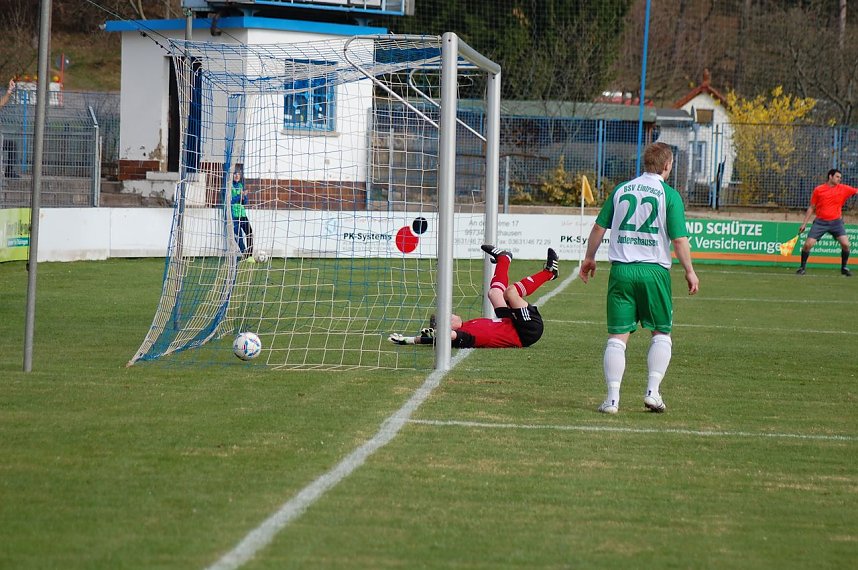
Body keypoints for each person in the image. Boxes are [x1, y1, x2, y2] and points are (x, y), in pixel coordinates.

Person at [579, 142, 699, 414]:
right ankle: (652, 393)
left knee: (617, 337)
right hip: (654, 272)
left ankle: (612, 400)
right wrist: (689, 271)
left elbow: (599, 227)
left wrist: (589, 258)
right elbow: (679, 240)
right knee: (661, 333)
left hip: (621, 271)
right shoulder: (669, 195)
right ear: (667, 165)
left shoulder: (622, 190)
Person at [388, 244, 559, 348]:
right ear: (449, 328)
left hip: (509, 323)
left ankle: (504, 259)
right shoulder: (466, 336)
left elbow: (434, 338)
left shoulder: (467, 325)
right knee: (511, 292)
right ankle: (549, 273)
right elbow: (451, 337)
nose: (452, 314)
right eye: (448, 318)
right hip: (526, 330)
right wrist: (439, 334)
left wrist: (408, 340)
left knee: (494, 293)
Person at [795, 168, 858, 277]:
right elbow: (812, 207)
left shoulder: (844, 188)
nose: (839, 179)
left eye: (840, 177)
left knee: (846, 244)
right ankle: (802, 268)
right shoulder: (819, 190)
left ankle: (844, 268)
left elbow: (856, 191)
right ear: (830, 176)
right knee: (808, 245)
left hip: (837, 223)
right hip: (820, 222)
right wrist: (804, 224)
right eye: (837, 177)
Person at [230, 170, 254, 260]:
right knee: (238, 236)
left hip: (242, 214)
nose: (237, 176)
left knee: (249, 232)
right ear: (231, 175)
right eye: (235, 174)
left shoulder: (240, 186)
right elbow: (230, 201)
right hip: (234, 215)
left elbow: (244, 202)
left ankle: (250, 255)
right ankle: (244, 253)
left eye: (238, 174)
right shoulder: (229, 186)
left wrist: (244, 197)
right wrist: (240, 195)